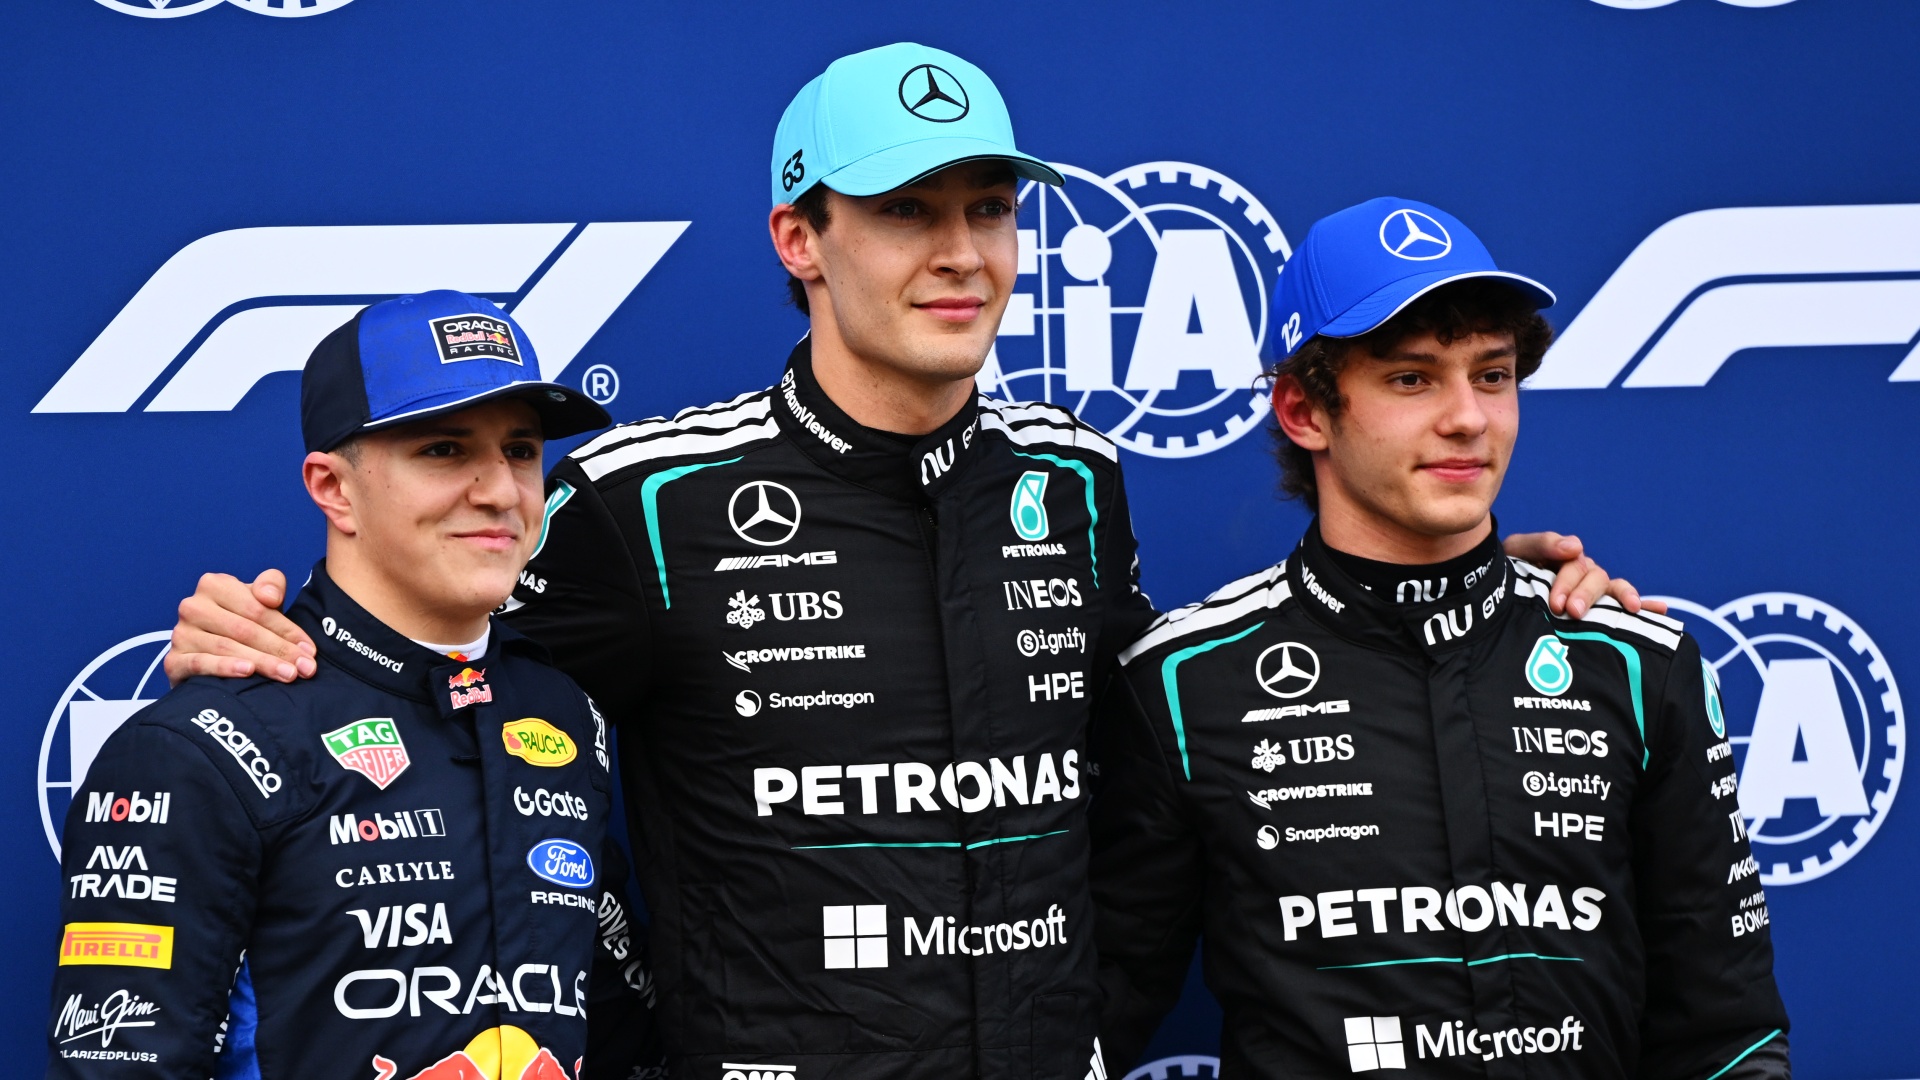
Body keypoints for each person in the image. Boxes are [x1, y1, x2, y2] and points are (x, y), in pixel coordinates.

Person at [160, 48, 1651, 1080]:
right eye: (906, 213)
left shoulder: (1072, 482)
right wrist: (263, 634)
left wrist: (1472, 595)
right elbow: (434, 642)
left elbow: (1178, 738)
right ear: (800, 238)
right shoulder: (641, 499)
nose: (962, 253)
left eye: (990, 210)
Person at [1089, 198, 1789, 1080]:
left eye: (1491, 376)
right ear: (1305, 411)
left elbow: (1729, 1032)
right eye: (1413, 379)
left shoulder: (1638, 665)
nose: (1469, 419)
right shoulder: (1185, 686)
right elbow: (1090, 1018)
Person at [48, 291, 660, 1080]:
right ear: (333, 487)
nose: (501, 491)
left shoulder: (562, 712)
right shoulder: (204, 745)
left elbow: (611, 1028)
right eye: (444, 450)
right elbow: (121, 1063)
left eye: (520, 450)